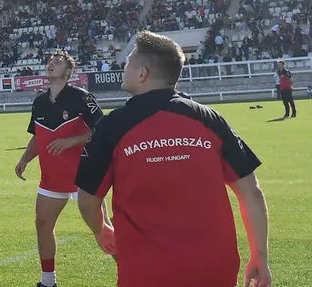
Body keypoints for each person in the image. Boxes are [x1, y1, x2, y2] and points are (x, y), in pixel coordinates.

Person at [75, 31, 271, 287]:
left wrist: (101, 230)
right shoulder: (210, 119)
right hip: (214, 268)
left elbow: (88, 201)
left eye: (128, 63)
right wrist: (259, 255)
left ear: (142, 73)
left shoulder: (112, 126)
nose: (124, 68)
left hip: (146, 271)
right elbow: (251, 193)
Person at [14, 51, 105, 287]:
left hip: (82, 176)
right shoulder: (39, 102)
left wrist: (71, 141)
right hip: (51, 178)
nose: (51, 64)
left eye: (58, 62)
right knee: (42, 225)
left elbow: (104, 130)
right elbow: (37, 137)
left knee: (101, 230)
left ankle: (131, 275)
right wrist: (24, 159)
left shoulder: (81, 98)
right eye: (49, 61)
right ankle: (48, 282)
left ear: (67, 72)